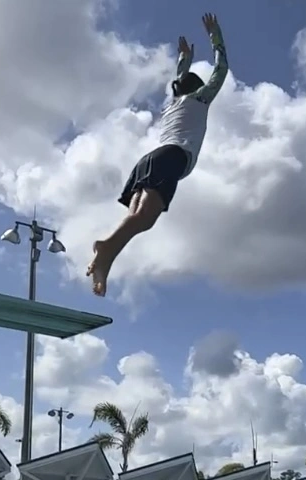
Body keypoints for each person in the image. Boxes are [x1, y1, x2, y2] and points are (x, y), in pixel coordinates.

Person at [87, 12, 228, 296]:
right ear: (198, 89)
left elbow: (179, 79)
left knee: (137, 219)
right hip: (171, 158)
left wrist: (183, 60)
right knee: (144, 220)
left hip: (148, 161)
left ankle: (105, 261)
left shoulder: (174, 103)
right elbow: (220, 70)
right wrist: (215, 37)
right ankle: (104, 249)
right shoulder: (199, 98)